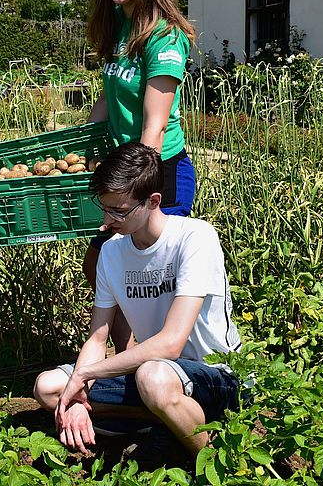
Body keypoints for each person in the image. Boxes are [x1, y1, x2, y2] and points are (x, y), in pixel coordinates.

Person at [33, 142, 242, 464]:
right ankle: (166, 421)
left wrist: (85, 375)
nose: (106, 220)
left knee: (152, 376)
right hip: (157, 375)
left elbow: (171, 343)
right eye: (103, 207)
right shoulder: (113, 253)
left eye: (119, 210)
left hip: (216, 377)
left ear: (153, 201)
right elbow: (97, 337)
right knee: (48, 388)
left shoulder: (195, 238)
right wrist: (76, 393)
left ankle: (217, 463)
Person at [82, 0, 198, 355]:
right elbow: (110, 98)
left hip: (157, 172)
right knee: (103, 264)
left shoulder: (164, 36)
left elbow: (153, 127)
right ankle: (133, 358)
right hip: (125, 170)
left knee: (150, 272)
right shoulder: (119, 24)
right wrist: (77, 144)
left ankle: (171, 361)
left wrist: (125, 201)